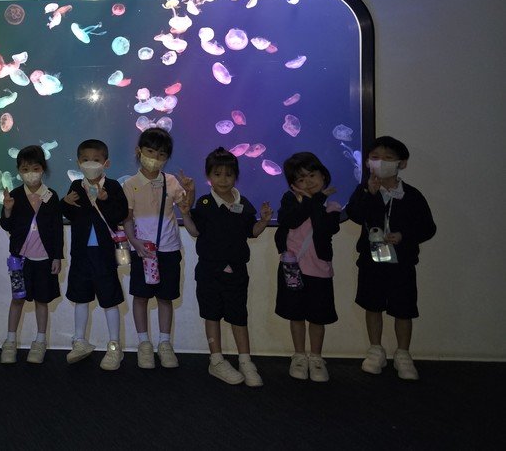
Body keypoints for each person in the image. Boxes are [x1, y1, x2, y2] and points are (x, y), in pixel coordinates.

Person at [346, 136, 436, 380]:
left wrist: (404, 236)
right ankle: (375, 350)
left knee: (403, 309)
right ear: (367, 162)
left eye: (388, 158)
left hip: (402, 262)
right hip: (371, 260)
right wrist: (369, 193)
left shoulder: (412, 195)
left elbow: (428, 228)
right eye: (375, 158)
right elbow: (354, 214)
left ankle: (403, 353)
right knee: (372, 305)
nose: (381, 162)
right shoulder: (364, 190)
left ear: (401, 163)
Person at [181, 147, 272, 386]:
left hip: (237, 271)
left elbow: (252, 232)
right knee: (211, 315)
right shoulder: (204, 203)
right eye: (217, 174)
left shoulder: (244, 204)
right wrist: (186, 214)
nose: (223, 179)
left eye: (229, 174)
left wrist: (264, 221)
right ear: (209, 176)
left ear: (236, 176)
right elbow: (195, 231)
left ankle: (245, 360)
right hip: (209, 271)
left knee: (239, 316)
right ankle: (216, 360)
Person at [122, 128, 189, 369]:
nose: (155, 158)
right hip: (142, 250)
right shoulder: (130, 184)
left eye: (161, 154)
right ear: (139, 151)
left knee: (165, 298)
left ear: (167, 157)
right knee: (140, 297)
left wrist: (190, 192)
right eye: (150, 151)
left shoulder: (171, 181)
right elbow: (127, 218)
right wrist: (134, 242)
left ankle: (164, 343)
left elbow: (185, 207)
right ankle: (144, 343)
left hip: (168, 249)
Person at [61, 139, 129, 370]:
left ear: (106, 163)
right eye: (86, 160)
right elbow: (71, 214)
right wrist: (65, 203)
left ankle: (114, 346)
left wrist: (106, 200)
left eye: (96, 160)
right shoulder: (75, 186)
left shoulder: (113, 187)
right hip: (81, 253)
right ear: (78, 163)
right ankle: (79, 341)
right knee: (80, 297)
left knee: (110, 299)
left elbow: (120, 213)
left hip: (104, 254)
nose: (91, 164)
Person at [274, 152, 342, 383]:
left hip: (319, 268)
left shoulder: (332, 206)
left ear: (323, 175)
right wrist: (312, 200)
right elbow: (289, 220)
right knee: (295, 315)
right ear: (293, 184)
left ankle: (316, 357)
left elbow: (326, 228)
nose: (308, 182)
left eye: (312, 175)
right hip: (292, 267)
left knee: (317, 317)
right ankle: (299, 356)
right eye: (301, 179)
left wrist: (316, 201)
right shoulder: (289, 200)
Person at [0, 145, 63, 365]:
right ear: (19, 171)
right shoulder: (15, 195)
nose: (30, 173)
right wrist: (7, 209)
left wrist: (57, 256)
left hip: (44, 259)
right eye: (25, 169)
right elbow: (6, 225)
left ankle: (40, 341)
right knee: (17, 299)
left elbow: (57, 229)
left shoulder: (51, 196)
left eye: (35, 168)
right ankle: (10, 341)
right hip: (20, 260)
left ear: (43, 169)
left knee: (41, 301)